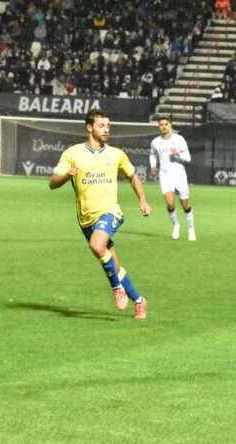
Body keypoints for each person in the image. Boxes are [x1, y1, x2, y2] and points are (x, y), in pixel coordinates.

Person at [49, 109, 151, 318]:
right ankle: (139, 301)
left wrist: (142, 199)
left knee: (96, 246)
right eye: (101, 126)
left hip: (110, 212)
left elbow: (133, 176)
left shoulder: (116, 154)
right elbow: (52, 183)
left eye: (108, 126)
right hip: (86, 219)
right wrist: (67, 175)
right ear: (89, 127)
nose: (106, 130)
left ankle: (116, 288)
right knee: (114, 265)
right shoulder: (72, 154)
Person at [149, 116, 196, 241]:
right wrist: (153, 165)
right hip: (165, 176)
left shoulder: (179, 139)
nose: (163, 126)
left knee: (185, 205)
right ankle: (176, 225)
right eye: (161, 124)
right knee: (170, 204)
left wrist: (178, 154)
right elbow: (152, 155)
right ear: (158, 126)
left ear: (170, 125)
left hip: (180, 176)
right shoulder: (155, 142)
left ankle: (191, 229)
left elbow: (188, 158)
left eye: (166, 124)